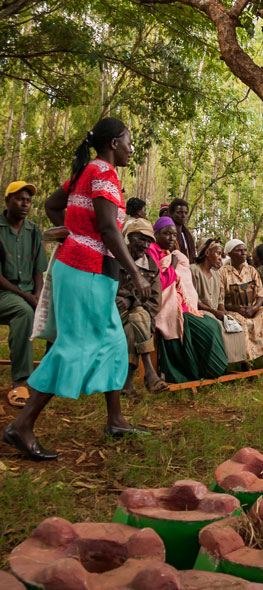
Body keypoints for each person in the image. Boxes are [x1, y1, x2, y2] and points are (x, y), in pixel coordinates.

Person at [5, 118, 149, 460]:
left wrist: (74, 232)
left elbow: (53, 205)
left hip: (89, 269)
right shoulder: (103, 173)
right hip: (85, 271)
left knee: (114, 343)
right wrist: (136, 272)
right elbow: (108, 229)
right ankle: (21, 426)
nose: (131, 148)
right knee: (74, 346)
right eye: (129, 141)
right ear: (114, 143)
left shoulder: (87, 171)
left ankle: (115, 420)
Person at [147, 218, 228, 383]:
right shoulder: (152, 251)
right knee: (208, 327)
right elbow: (159, 283)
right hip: (168, 306)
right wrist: (172, 265)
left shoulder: (172, 254)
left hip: (185, 306)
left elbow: (187, 287)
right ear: (156, 234)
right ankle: (201, 370)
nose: (171, 238)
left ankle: (206, 368)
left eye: (174, 235)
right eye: (166, 233)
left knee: (212, 324)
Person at [0, 181, 46, 407]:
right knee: (23, 312)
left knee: (60, 311)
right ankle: (20, 381)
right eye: (19, 199)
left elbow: (38, 270)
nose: (25, 204)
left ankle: (51, 375)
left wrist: (39, 296)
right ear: (7, 200)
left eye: (28, 200)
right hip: (3, 293)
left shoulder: (33, 230)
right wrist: (29, 299)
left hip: (29, 293)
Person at [114, 218, 167, 395]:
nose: (145, 245)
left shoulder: (151, 267)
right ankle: (149, 373)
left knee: (135, 323)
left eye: (148, 241)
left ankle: (127, 385)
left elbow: (154, 302)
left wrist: (130, 300)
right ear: (129, 238)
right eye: (140, 239)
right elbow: (108, 289)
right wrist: (129, 300)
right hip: (113, 313)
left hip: (140, 317)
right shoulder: (115, 259)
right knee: (138, 317)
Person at [219, 239, 263, 368]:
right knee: (242, 322)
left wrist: (254, 308)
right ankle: (245, 362)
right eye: (239, 250)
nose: (244, 253)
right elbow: (221, 299)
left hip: (252, 309)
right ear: (230, 253)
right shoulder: (222, 272)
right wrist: (237, 309)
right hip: (234, 310)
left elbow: (260, 294)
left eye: (244, 250)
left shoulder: (252, 270)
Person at [192, 237, 250, 365]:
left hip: (215, 312)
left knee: (235, 325)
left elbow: (220, 300)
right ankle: (218, 363)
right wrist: (215, 312)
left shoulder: (215, 274)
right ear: (207, 253)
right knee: (217, 327)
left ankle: (240, 361)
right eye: (218, 254)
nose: (220, 258)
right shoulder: (193, 270)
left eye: (221, 254)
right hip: (200, 312)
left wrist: (224, 312)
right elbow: (193, 300)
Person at [167, 199, 197, 263]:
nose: (183, 216)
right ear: (171, 214)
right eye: (179, 213)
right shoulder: (167, 233)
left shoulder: (187, 235)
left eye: (186, 213)